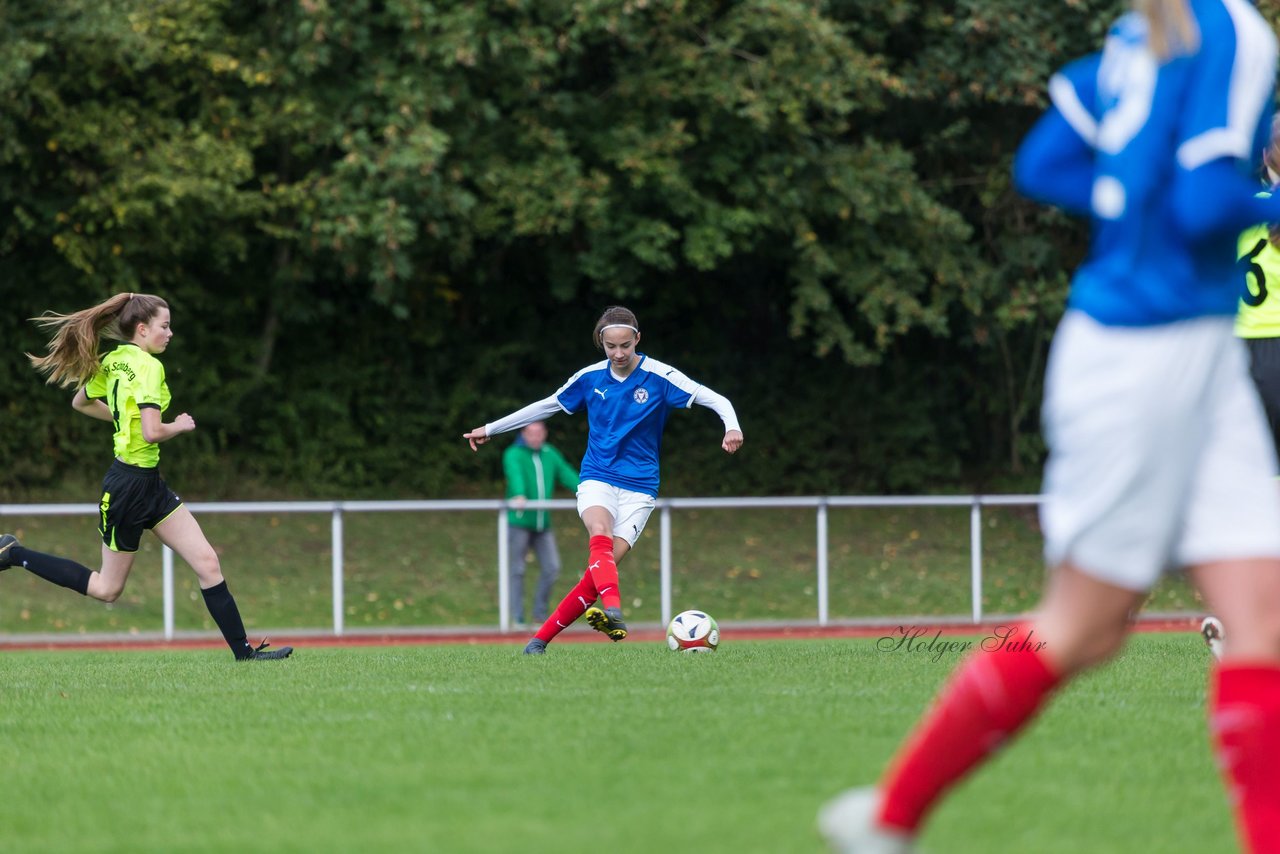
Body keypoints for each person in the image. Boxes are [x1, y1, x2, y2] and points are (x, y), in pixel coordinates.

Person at [818, 2, 1280, 852]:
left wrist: (1124, 204)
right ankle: (889, 822)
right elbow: (1210, 206)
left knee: (1264, 619)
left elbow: (1045, 162)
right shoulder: (1234, 32)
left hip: (1193, 352)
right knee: (1084, 627)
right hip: (1142, 357)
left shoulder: (1141, 32)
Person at [0, 292, 292, 661]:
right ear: (142, 328)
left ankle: (244, 654)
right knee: (108, 589)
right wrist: (179, 425)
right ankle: (15, 553)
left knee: (207, 562)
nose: (170, 333)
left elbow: (81, 402)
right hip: (128, 489)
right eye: (164, 326)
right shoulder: (150, 368)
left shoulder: (115, 359)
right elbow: (153, 432)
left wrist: (125, 419)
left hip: (149, 483)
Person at [464, 306, 743, 655]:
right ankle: (614, 611)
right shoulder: (589, 378)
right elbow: (545, 406)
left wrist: (732, 426)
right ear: (601, 342)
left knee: (596, 574)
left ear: (637, 339)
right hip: (598, 475)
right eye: (611, 346)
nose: (619, 353)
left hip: (641, 488)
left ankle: (538, 642)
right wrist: (491, 429)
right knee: (600, 535)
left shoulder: (660, 376)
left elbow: (716, 399)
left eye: (626, 345)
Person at [1202, 114, 1280, 662]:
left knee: (1253, 487)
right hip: (1267, 348)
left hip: (1239, 352)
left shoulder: (1244, 200)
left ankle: (1234, 614)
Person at [503, 420, 579, 625]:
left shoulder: (550, 453)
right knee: (517, 570)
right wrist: (519, 495)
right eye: (531, 433)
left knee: (552, 567)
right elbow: (515, 474)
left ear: (544, 433)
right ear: (523, 434)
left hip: (543, 523)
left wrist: (586, 491)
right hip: (519, 521)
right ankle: (517, 617)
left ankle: (540, 614)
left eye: (539, 432)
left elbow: (567, 474)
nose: (535, 437)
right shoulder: (513, 454)